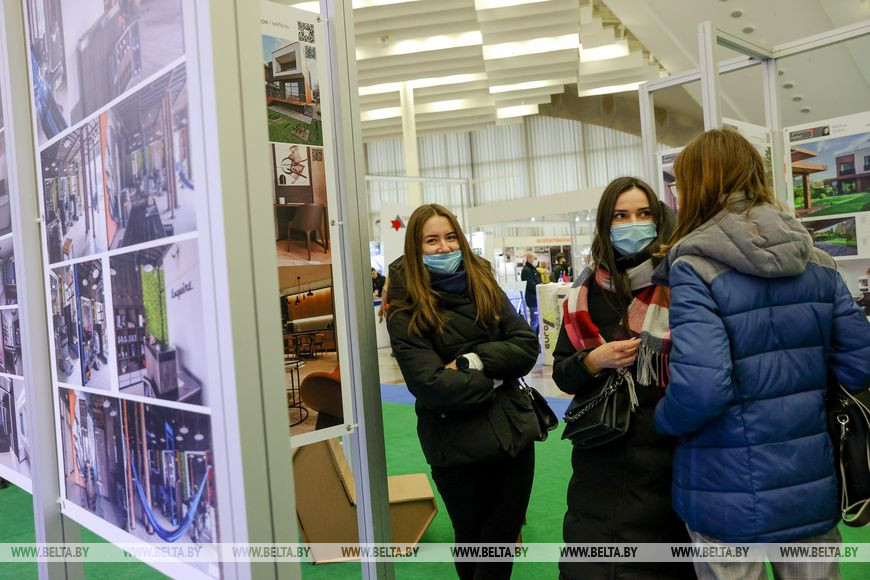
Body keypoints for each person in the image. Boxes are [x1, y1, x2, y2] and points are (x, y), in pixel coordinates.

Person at [653, 128, 870, 579]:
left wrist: (664, 421)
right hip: (809, 476)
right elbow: (859, 364)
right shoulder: (818, 261)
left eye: (680, 183)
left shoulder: (694, 266)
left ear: (697, 183)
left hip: (723, 482)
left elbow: (703, 387)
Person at [386, 204, 540, 580]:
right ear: (415, 248)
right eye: (432, 240)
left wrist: (473, 361)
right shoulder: (405, 309)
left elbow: (525, 345)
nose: (444, 247)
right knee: (472, 536)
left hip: (513, 436)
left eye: (451, 237)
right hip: (455, 445)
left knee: (502, 536)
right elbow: (432, 385)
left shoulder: (483, 284)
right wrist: (497, 376)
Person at [552, 176, 695, 579]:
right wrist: (592, 361)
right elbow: (563, 373)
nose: (634, 224)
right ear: (605, 223)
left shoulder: (678, 283)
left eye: (643, 213)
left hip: (665, 456)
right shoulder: (584, 293)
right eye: (621, 216)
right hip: (599, 453)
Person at [520, 252, 542, 334]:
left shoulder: (533, 269)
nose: (536, 260)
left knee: (537, 321)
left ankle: (536, 337)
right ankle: (532, 338)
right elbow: (530, 285)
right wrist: (540, 288)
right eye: (535, 258)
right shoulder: (526, 270)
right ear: (529, 259)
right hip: (533, 299)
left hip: (537, 298)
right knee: (535, 322)